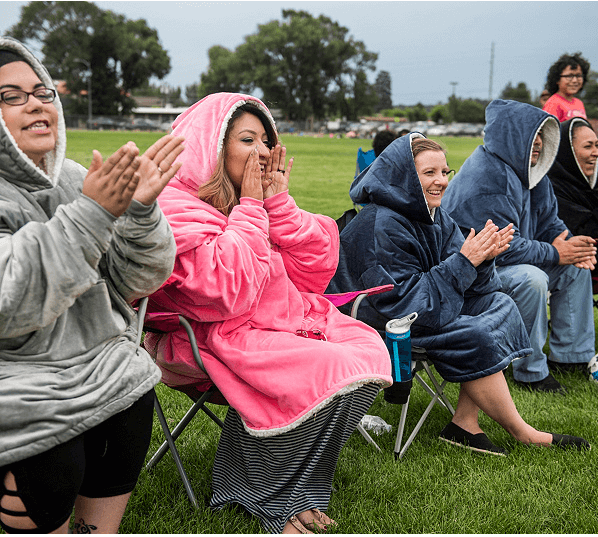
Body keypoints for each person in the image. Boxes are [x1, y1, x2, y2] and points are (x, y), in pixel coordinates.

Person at [143, 92, 392, 534]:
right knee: (329, 367)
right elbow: (225, 293)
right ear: (212, 147)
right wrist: (253, 209)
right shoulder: (175, 207)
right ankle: (268, 500)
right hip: (207, 337)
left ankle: (302, 491)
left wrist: (278, 205)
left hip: (278, 322)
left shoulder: (248, 197)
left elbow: (313, 272)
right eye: (246, 140)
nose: (261, 152)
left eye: (265, 141)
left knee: (369, 351)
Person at [0, 36, 184, 533]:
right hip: (16, 374)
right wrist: (91, 215)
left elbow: (133, 281)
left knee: (129, 385)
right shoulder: (80, 195)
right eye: (9, 96)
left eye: (41, 91)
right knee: (49, 454)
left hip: (93, 360)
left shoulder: (76, 180)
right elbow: (9, 301)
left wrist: (141, 212)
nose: (35, 102)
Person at [327, 133, 589, 456]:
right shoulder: (383, 224)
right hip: (377, 322)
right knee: (474, 330)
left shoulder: (434, 216)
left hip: (421, 308)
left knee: (500, 304)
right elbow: (402, 302)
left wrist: (483, 258)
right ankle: (524, 432)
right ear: (405, 176)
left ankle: (464, 423)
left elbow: (477, 287)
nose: (441, 181)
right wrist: (465, 261)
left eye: (445, 172)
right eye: (429, 173)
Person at [443, 99, 596, 393]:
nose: (538, 143)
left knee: (575, 269)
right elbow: (502, 246)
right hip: (470, 276)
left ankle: (571, 356)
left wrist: (568, 244)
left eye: (542, 136)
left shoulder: (529, 170)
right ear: (513, 135)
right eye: (532, 135)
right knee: (532, 279)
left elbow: (549, 220)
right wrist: (555, 253)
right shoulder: (487, 176)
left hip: (505, 262)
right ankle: (530, 370)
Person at [548, 118, 598, 241]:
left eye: (597, 145)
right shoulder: (553, 192)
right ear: (567, 153)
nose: (596, 152)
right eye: (588, 146)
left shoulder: (592, 187)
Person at [542, 52, 590, 122]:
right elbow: (548, 130)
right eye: (569, 76)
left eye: (578, 76)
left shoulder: (579, 103)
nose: (574, 80)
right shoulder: (553, 103)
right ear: (557, 79)